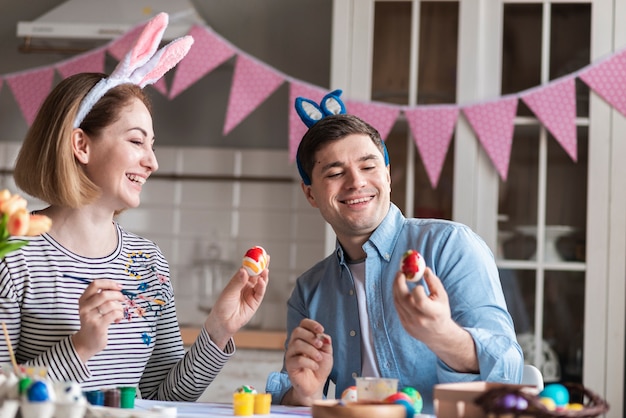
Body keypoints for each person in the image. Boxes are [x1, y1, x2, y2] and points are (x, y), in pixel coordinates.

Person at [0, 13, 269, 402]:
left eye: (152, 145)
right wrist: (79, 347)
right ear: (81, 145)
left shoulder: (147, 261)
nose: (152, 162)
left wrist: (218, 329)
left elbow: (164, 398)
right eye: (136, 141)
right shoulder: (13, 252)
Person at [265, 90, 523, 414]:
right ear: (311, 194)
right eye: (334, 173)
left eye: (368, 166)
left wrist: (444, 336)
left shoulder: (450, 247)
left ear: (387, 175)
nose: (356, 182)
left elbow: (509, 369)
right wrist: (304, 394)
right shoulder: (309, 291)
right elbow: (290, 397)